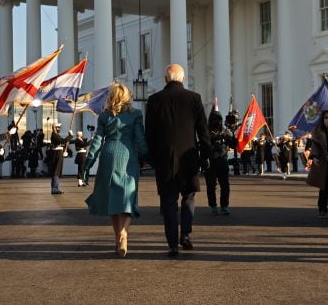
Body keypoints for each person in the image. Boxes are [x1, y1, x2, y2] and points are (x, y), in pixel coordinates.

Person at [145, 64, 211, 257]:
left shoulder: (154, 100)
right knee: (189, 197)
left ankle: (172, 242)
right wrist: (206, 155)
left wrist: (151, 157)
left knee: (168, 202)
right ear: (182, 79)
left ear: (166, 79)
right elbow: (203, 131)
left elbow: (149, 134)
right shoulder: (194, 98)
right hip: (189, 157)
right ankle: (186, 235)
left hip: (164, 159)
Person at [84, 82, 150, 258]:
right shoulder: (136, 114)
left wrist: (87, 164)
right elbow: (141, 140)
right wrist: (148, 157)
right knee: (128, 197)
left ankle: (117, 238)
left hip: (108, 155)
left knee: (112, 199)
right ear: (127, 96)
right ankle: (123, 234)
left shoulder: (104, 116)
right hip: (128, 156)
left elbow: (97, 142)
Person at [205, 105, 236, 215]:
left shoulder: (225, 131)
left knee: (225, 185)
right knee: (211, 185)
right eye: (215, 119)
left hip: (222, 161)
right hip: (210, 162)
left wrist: (233, 132)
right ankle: (213, 206)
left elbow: (233, 145)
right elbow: (203, 145)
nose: (217, 122)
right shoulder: (205, 131)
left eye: (218, 119)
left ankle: (224, 206)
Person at [48, 123, 72, 194]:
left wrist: (69, 139)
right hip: (57, 154)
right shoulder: (55, 135)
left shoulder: (56, 135)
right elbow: (63, 141)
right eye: (58, 127)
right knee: (56, 171)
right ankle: (55, 188)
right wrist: (70, 136)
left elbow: (63, 141)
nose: (59, 128)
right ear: (54, 128)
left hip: (58, 153)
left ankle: (54, 188)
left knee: (56, 171)